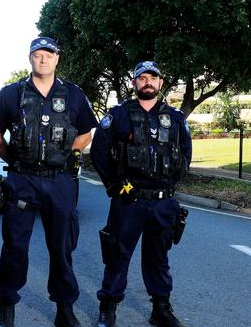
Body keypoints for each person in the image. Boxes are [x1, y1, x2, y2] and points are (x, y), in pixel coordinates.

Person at [0, 37, 98, 327]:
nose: (43, 60)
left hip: (60, 181)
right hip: (22, 179)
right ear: (30, 59)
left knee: (61, 247)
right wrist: (16, 161)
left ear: (57, 59)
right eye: (38, 55)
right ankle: (6, 309)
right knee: (14, 246)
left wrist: (68, 154)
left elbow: (86, 133)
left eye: (49, 55)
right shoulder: (11, 94)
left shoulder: (73, 95)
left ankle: (64, 308)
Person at [90, 61, 191, 327]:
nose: (147, 82)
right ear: (134, 83)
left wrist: (171, 185)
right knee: (117, 256)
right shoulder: (119, 115)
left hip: (163, 202)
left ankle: (161, 308)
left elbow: (185, 153)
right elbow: (99, 151)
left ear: (161, 83)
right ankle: (108, 308)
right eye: (142, 78)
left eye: (152, 78)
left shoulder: (176, 117)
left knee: (159, 258)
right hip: (129, 200)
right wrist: (114, 185)